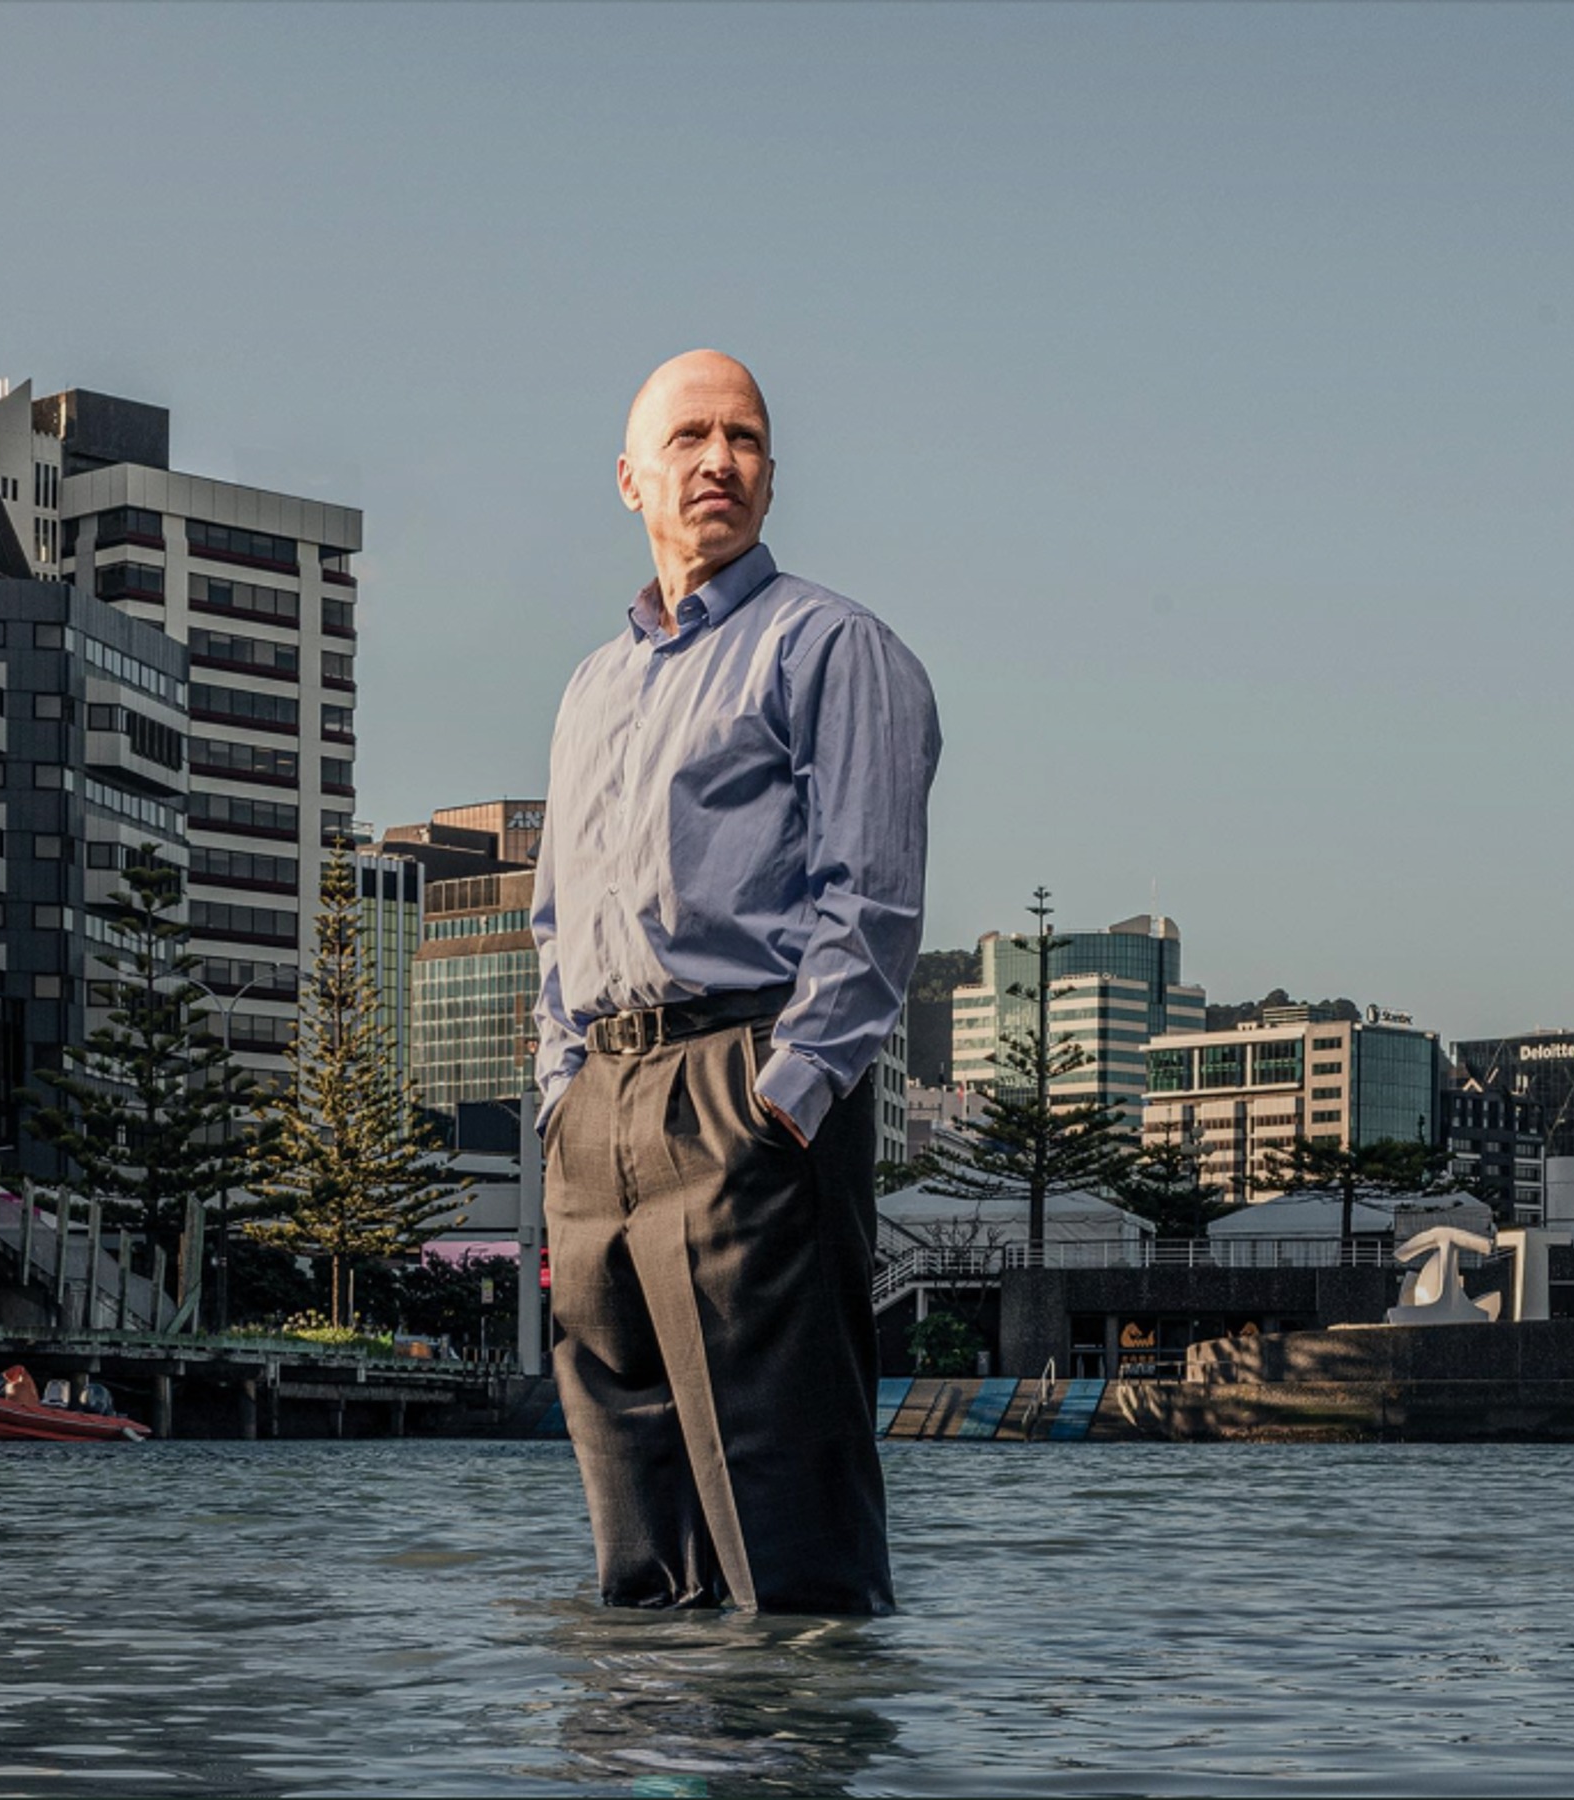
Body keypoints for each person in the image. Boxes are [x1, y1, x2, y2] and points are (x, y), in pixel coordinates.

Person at [530, 349, 942, 1615]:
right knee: (637, 1549)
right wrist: (559, 1095)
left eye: (747, 439)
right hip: (598, 1111)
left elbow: (866, 899)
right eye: (692, 438)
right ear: (628, 480)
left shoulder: (830, 647)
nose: (721, 461)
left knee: (783, 1523)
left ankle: (794, 1764)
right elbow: (555, 919)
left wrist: (788, 1095)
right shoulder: (590, 689)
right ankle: (656, 1763)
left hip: (742, 1087)